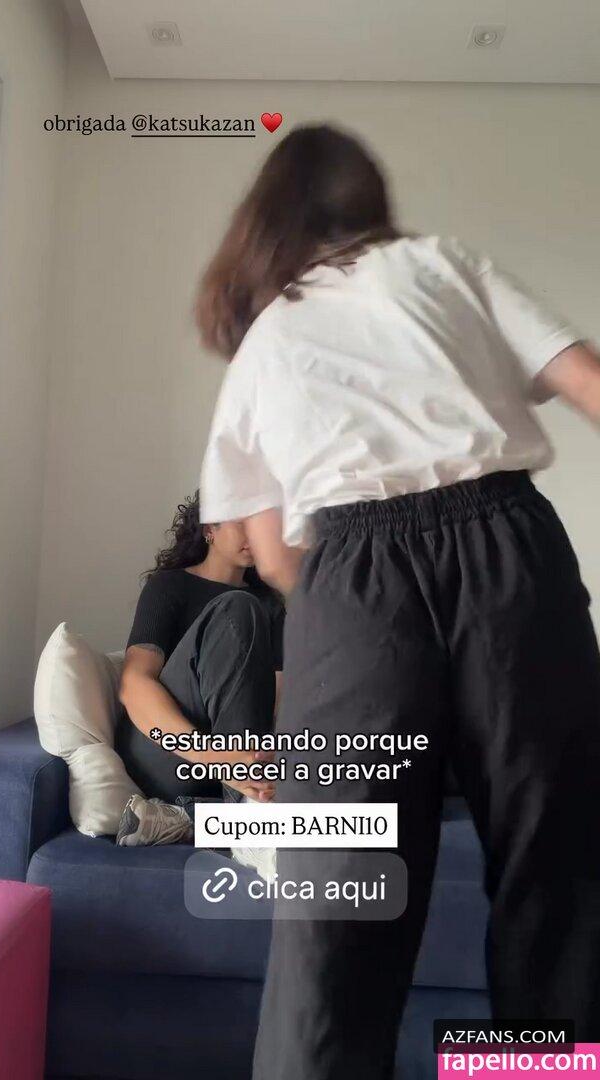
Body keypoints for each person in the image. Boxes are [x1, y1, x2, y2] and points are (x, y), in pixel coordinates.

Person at [194, 122, 600, 1078]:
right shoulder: (439, 265)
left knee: (338, 892)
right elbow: (586, 380)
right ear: (367, 202)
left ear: (267, 222)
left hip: (350, 579)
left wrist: (359, 615)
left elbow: (270, 553)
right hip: (509, 552)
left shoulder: (264, 342)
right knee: (554, 871)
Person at [114, 492, 284, 846]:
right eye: (243, 522)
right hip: (169, 753)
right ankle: (246, 823)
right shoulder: (169, 587)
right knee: (239, 607)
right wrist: (214, 756)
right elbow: (134, 685)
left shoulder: (271, 604)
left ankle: (189, 818)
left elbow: (277, 699)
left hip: (239, 763)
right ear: (210, 528)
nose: (255, 534)